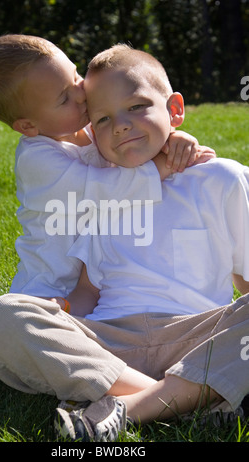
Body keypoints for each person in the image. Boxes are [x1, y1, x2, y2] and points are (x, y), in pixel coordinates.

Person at [0, 35, 216, 442]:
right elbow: (104, 188)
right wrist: (161, 165)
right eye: (65, 98)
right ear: (29, 125)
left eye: (75, 78)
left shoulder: (81, 130)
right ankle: (174, 400)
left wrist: (167, 139)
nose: (82, 96)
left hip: (116, 304)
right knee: (4, 323)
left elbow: (128, 139)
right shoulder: (38, 159)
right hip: (57, 299)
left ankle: (137, 399)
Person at [51, 44, 249, 440]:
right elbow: (89, 289)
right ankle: (192, 398)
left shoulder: (223, 179)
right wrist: (61, 315)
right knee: (6, 317)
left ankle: (121, 409)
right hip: (109, 344)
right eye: (103, 119)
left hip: (194, 338)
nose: (120, 125)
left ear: (174, 109)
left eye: (137, 106)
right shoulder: (103, 190)